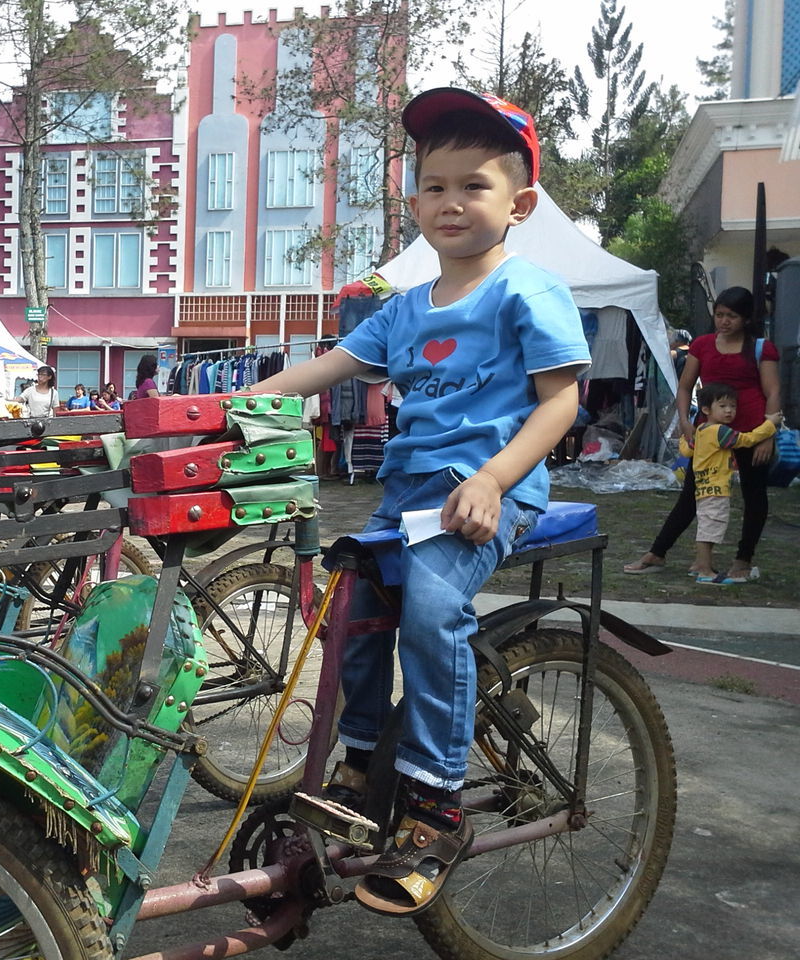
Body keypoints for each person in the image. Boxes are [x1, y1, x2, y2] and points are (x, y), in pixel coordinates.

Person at [252, 87, 589, 915]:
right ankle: (364, 761)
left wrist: (492, 479)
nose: (451, 202)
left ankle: (436, 808)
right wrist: (241, 404)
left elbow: (560, 404)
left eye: (473, 185)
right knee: (353, 605)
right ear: (412, 202)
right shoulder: (400, 310)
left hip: (488, 494)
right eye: (435, 186)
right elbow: (323, 369)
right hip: (405, 497)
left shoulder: (527, 291)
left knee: (432, 609)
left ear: (520, 203)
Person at [624, 286, 781, 581]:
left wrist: (767, 436)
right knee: (692, 494)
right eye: (719, 314)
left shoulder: (760, 347)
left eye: (731, 316)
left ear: (746, 318)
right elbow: (685, 386)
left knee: (754, 495)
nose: (724, 321)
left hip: (752, 429)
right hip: (709, 435)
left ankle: (743, 559)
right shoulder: (703, 345)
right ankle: (657, 551)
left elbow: (773, 392)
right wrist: (684, 420)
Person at [681, 383, 780, 583]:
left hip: (703, 486)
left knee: (706, 525)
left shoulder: (701, 429)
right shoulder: (720, 432)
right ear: (706, 409)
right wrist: (770, 425)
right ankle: (704, 570)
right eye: (723, 406)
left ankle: (702, 564)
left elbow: (687, 451)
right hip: (716, 488)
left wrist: (683, 438)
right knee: (711, 528)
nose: (729, 411)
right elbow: (746, 439)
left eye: (732, 406)